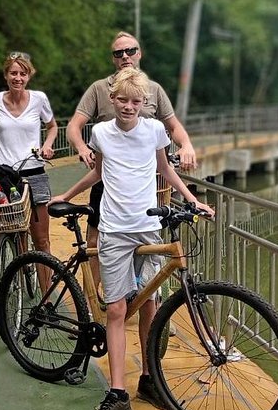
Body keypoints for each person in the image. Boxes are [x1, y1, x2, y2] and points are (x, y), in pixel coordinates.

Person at [49, 68, 213, 410]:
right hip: (113, 230)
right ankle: (118, 394)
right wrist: (68, 195)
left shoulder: (155, 131)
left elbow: (165, 172)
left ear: (145, 104)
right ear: (113, 100)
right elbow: (98, 174)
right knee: (117, 310)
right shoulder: (101, 132)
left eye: (135, 101)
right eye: (122, 100)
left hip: (148, 229)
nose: (128, 106)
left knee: (151, 303)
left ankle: (151, 380)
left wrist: (193, 200)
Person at [66, 31, 197, 297]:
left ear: (139, 53)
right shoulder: (99, 89)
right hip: (109, 177)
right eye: (118, 53)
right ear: (113, 58)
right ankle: (94, 300)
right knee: (95, 242)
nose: (125, 56)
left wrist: (187, 145)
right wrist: (82, 148)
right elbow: (74, 125)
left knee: (154, 246)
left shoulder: (153, 89)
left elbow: (173, 126)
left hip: (149, 184)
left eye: (130, 51)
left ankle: (155, 308)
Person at [0, 51, 59, 329]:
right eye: (13, 73)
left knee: (41, 241)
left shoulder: (39, 99)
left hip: (34, 171)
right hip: (1, 175)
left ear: (29, 76)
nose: (18, 78)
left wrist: (48, 145)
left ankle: (47, 301)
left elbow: (52, 127)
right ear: (6, 75)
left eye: (23, 73)